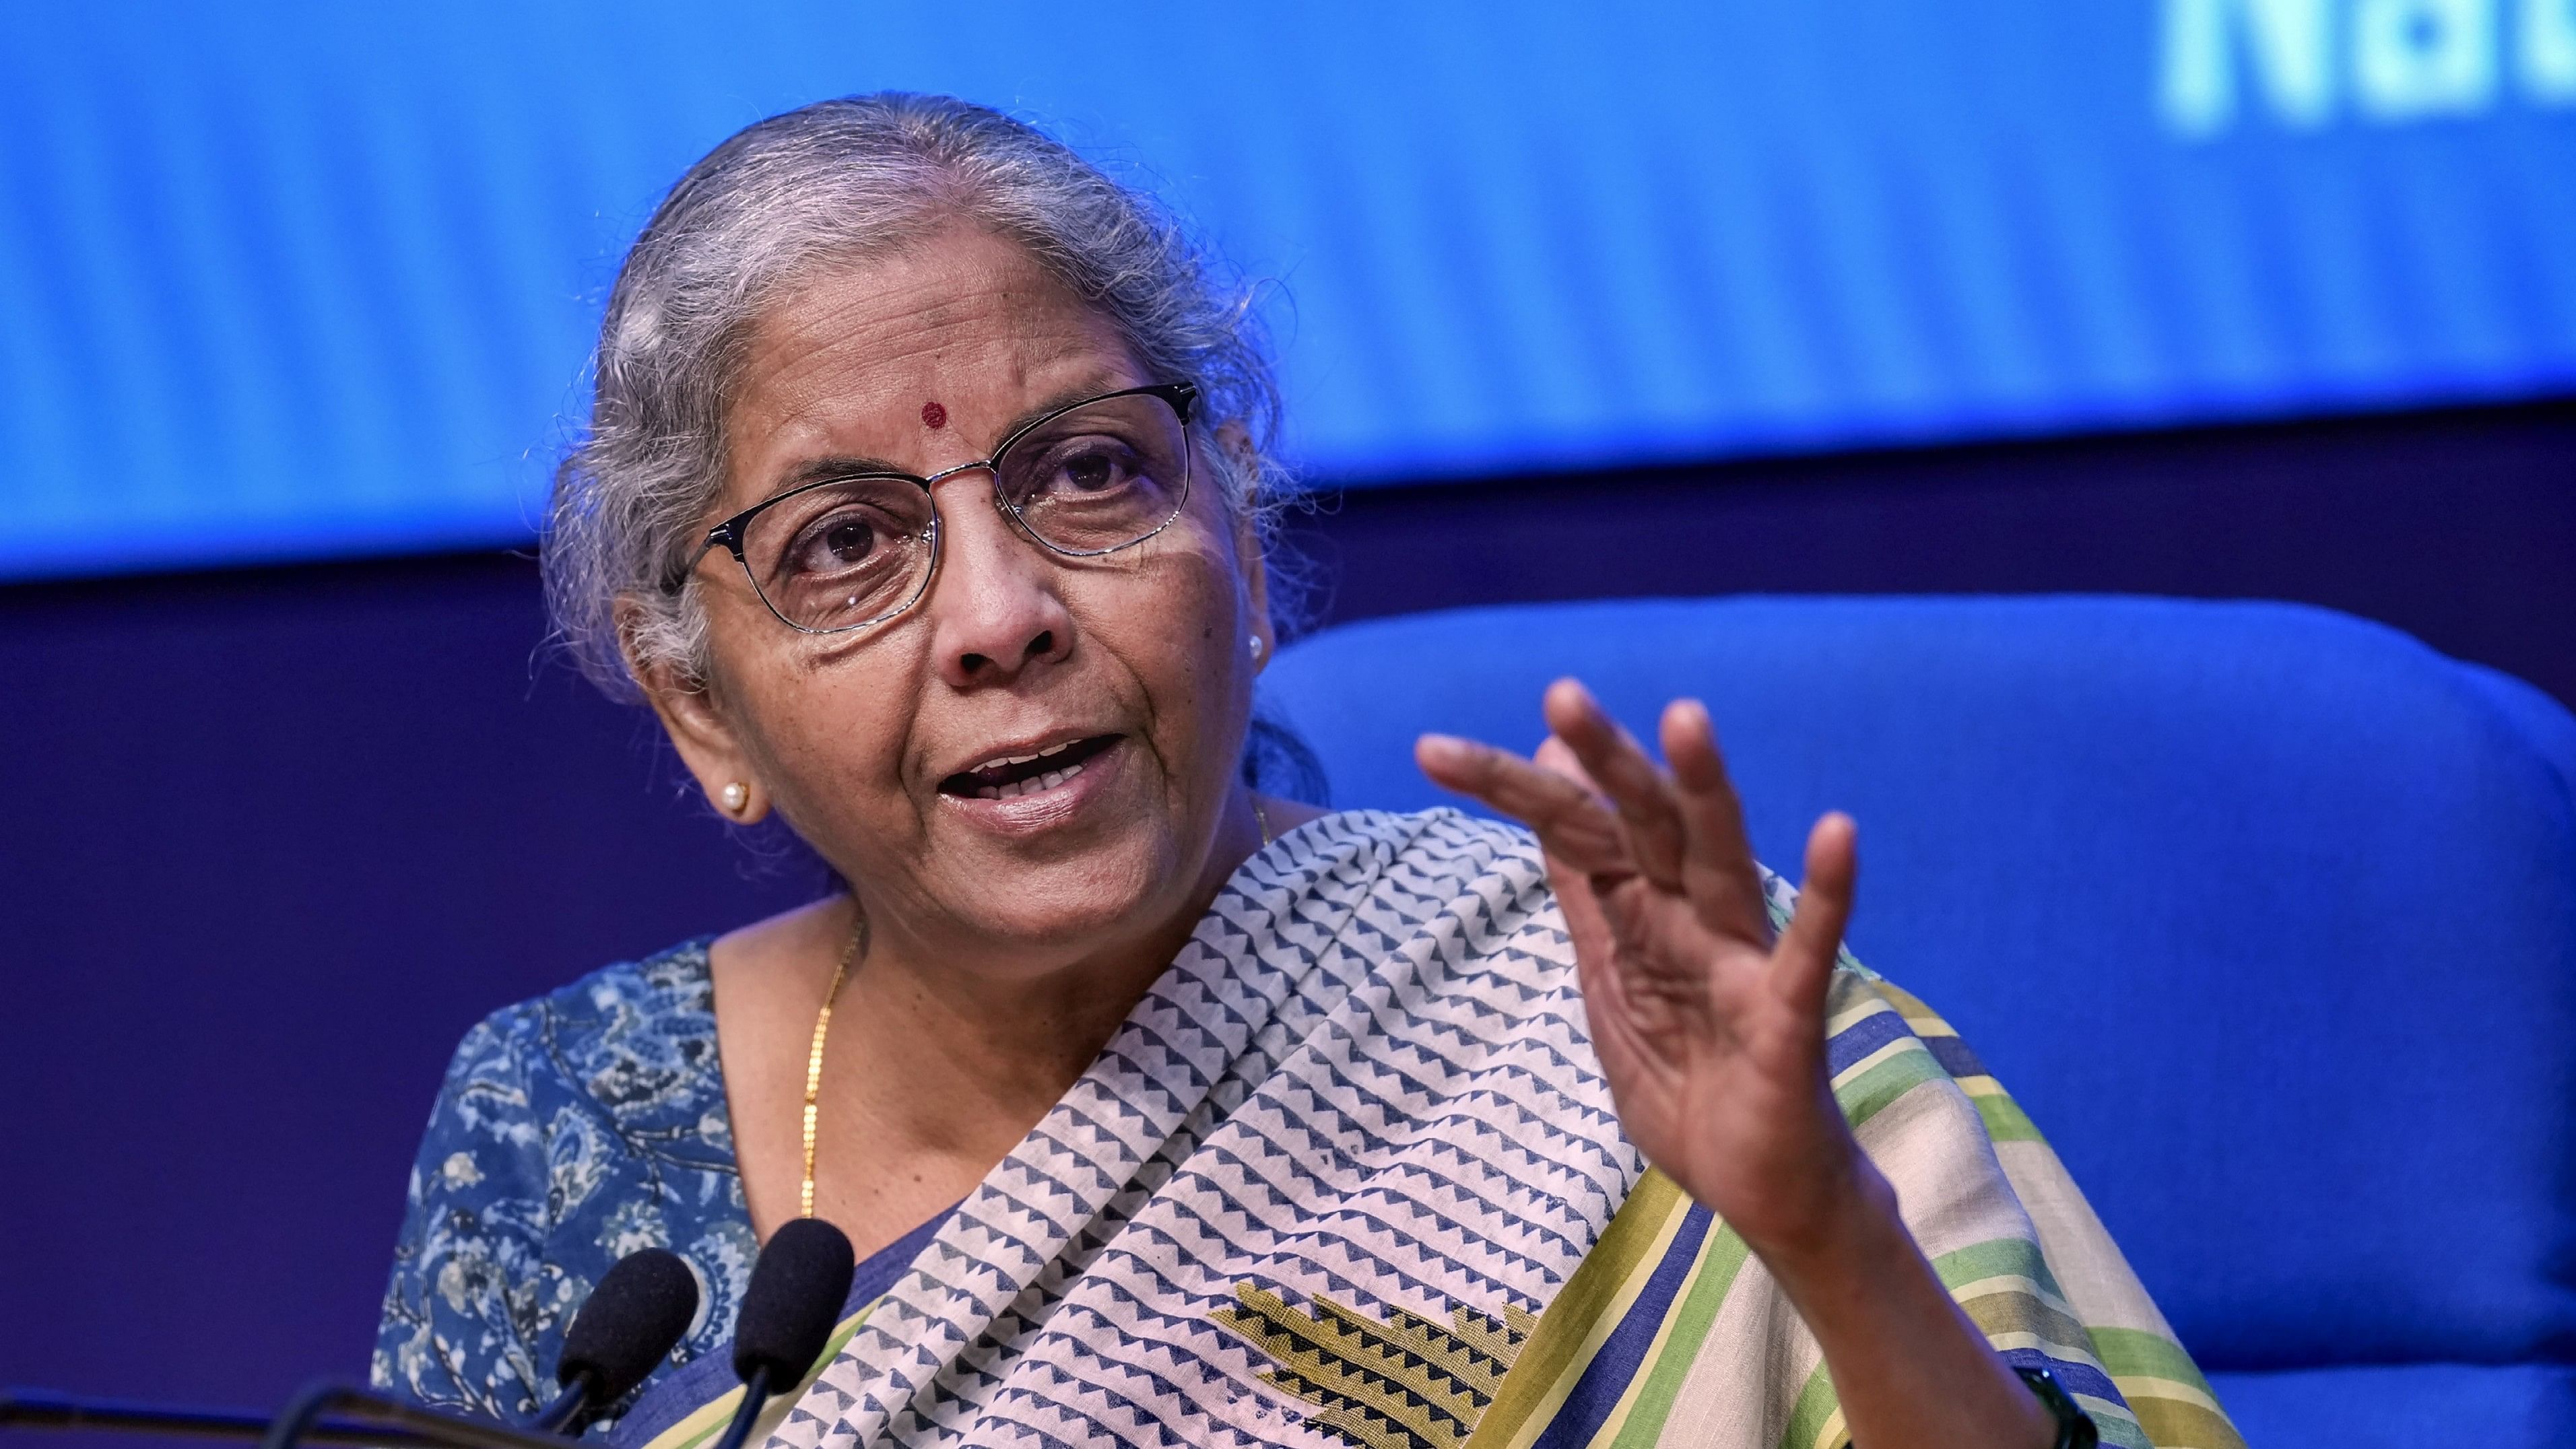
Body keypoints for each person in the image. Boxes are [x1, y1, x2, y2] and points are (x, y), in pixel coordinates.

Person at [372, 94, 2237, 1449]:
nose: (1002, 612)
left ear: (1240, 541)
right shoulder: (572, 1131)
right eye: (847, 545)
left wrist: (1819, 1231)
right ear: (702, 704)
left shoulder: (1620, 1008)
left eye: (1087, 471)